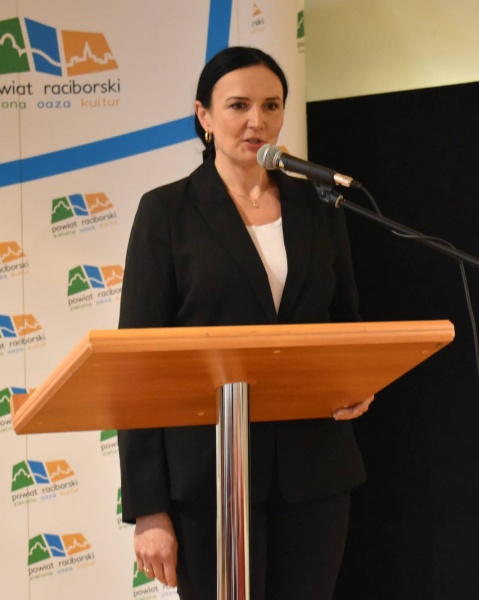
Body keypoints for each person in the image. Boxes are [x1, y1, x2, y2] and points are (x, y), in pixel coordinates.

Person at [117, 46, 373, 600]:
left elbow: (346, 324)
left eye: (271, 105)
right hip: (207, 480)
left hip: (315, 472)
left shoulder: (319, 206)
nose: (257, 120)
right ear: (204, 116)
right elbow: (137, 366)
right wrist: (148, 508)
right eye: (238, 105)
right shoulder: (167, 212)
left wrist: (358, 380)